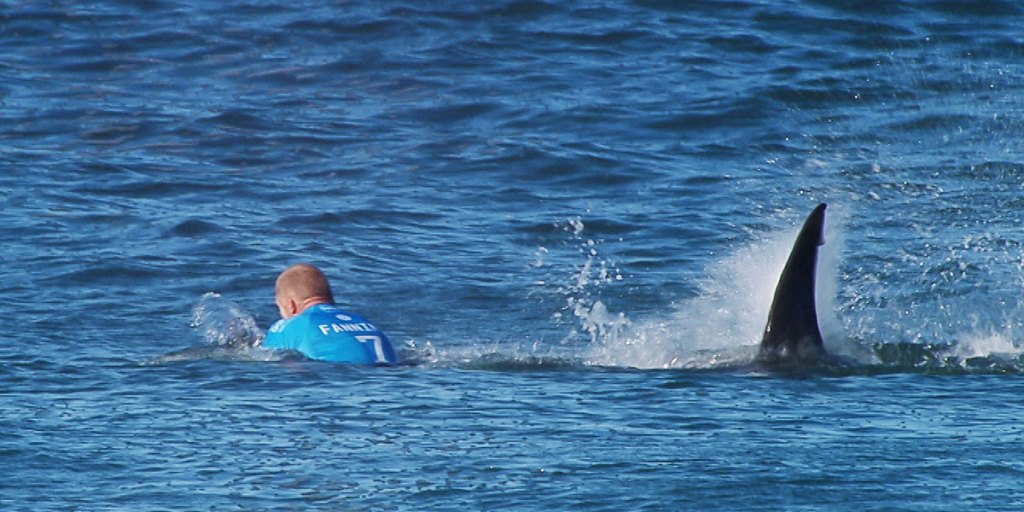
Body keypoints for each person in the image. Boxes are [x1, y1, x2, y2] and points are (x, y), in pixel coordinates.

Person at [261, 263, 398, 364]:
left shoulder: (293, 325)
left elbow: (264, 357)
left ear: (291, 306)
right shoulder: (363, 322)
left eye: (280, 307)